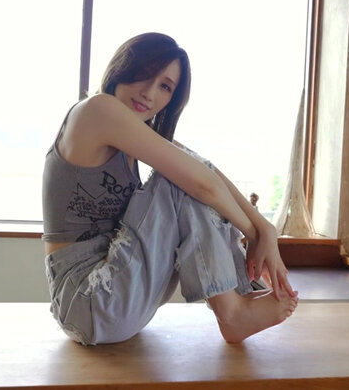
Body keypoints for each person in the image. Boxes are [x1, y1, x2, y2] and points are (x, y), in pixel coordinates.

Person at [42, 32, 298, 346]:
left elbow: (206, 171)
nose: (149, 92)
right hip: (87, 299)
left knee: (186, 172)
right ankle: (232, 312)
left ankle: (239, 298)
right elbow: (202, 184)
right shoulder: (97, 110)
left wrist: (264, 229)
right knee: (180, 180)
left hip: (118, 294)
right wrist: (253, 233)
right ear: (122, 68)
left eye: (165, 87)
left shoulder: (135, 131)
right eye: (144, 73)